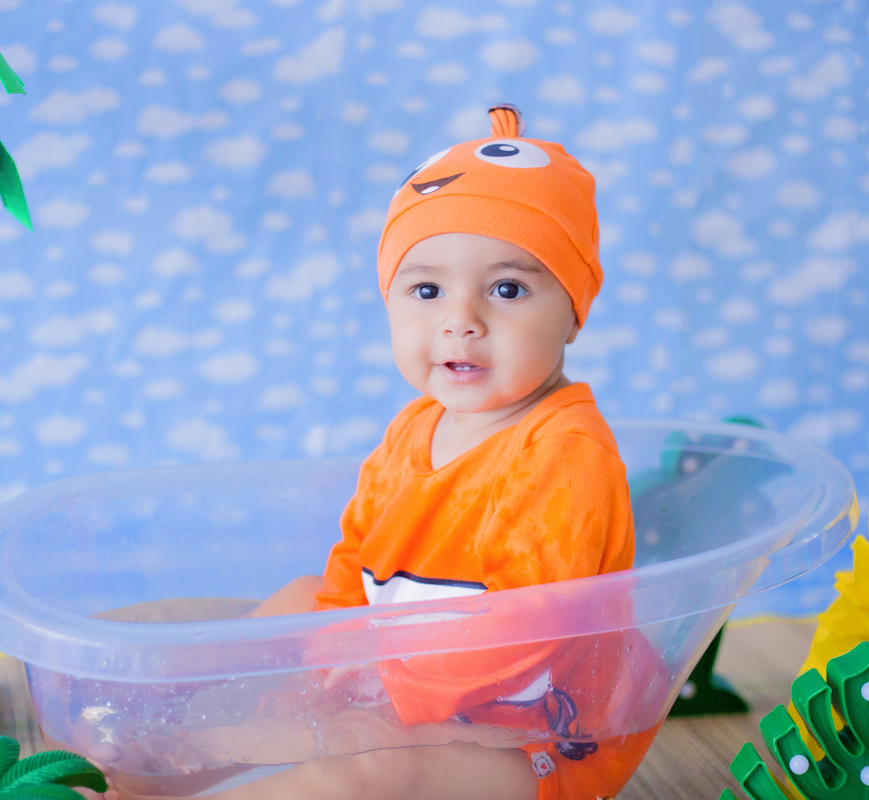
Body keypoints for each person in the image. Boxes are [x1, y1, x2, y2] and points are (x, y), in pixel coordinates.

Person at [236, 104, 647, 800]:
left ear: (574, 311)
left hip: (535, 736)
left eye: (508, 289)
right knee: (301, 602)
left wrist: (378, 670)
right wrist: (330, 658)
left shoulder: (565, 453)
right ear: (390, 302)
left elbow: (531, 632)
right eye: (427, 289)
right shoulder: (413, 429)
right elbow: (355, 559)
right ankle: (165, 747)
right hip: (412, 687)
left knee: (381, 771)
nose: (461, 320)